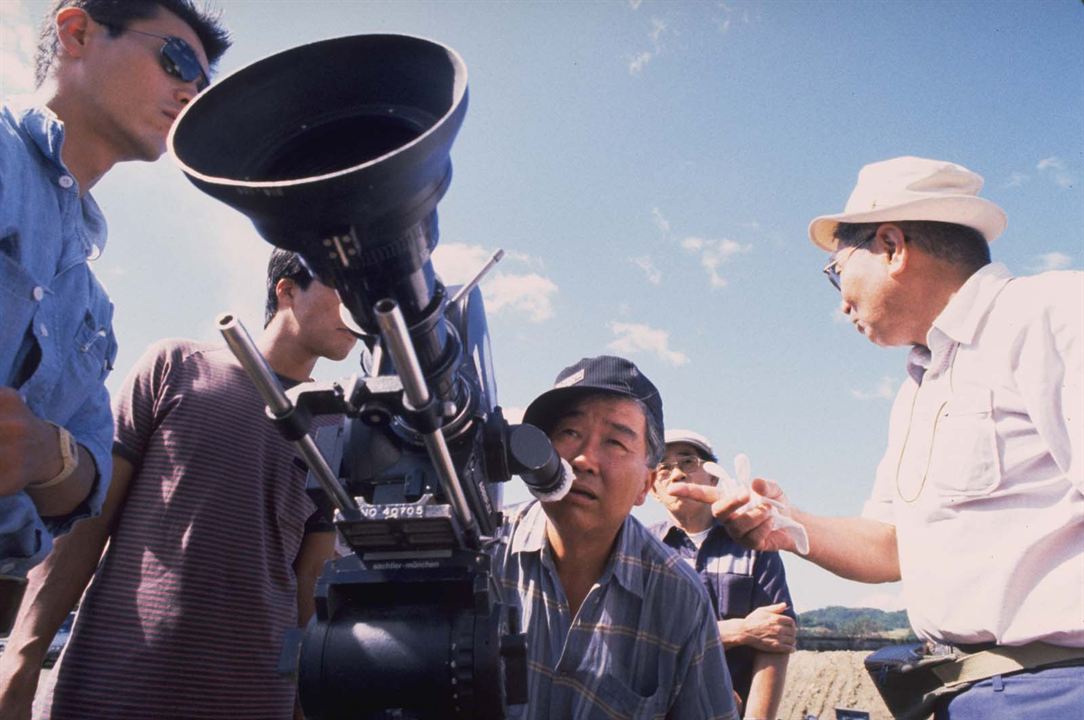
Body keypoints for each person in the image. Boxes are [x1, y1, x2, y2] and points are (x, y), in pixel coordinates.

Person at [669, 156, 1084, 718]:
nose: (840, 300)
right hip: (967, 693)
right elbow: (892, 546)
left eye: (838, 270)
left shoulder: (1053, 314)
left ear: (891, 246)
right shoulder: (920, 384)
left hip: (1057, 690)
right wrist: (785, 525)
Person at [0, 249, 358, 720]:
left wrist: (305, 705)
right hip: (112, 689)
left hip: (252, 699)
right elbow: (88, 520)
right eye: (345, 289)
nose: (360, 311)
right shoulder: (176, 365)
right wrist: (22, 658)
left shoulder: (338, 427)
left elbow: (309, 581)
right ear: (287, 290)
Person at [0, 0, 230, 627]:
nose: (191, 91)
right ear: (77, 32)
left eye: (203, 86)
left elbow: (90, 482)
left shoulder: (92, 308)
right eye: (177, 59)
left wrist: (48, 454)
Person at [492, 355, 740, 720]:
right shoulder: (484, 550)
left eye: (614, 442)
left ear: (645, 484)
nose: (584, 459)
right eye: (569, 433)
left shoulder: (678, 598)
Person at [650, 429, 795, 719]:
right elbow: (639, 642)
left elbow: (776, 637)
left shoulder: (754, 543)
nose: (676, 474)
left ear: (713, 478)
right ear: (652, 489)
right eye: (663, 468)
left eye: (688, 462)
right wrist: (740, 630)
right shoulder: (641, 551)